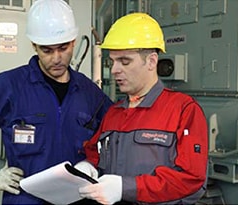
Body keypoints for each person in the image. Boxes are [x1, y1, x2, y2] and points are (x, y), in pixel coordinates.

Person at [0, 0, 113, 204]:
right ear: (34, 46)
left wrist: (91, 163)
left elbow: (115, 134)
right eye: (47, 50)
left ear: (74, 42)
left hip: (78, 199)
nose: (57, 58)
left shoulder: (89, 93)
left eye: (63, 48)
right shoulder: (10, 86)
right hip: (26, 199)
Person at [74, 13, 208, 204]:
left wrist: (126, 188)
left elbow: (191, 179)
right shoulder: (114, 112)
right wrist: (88, 166)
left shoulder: (184, 110)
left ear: (151, 61)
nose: (114, 70)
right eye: (112, 61)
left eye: (125, 61)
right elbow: (96, 153)